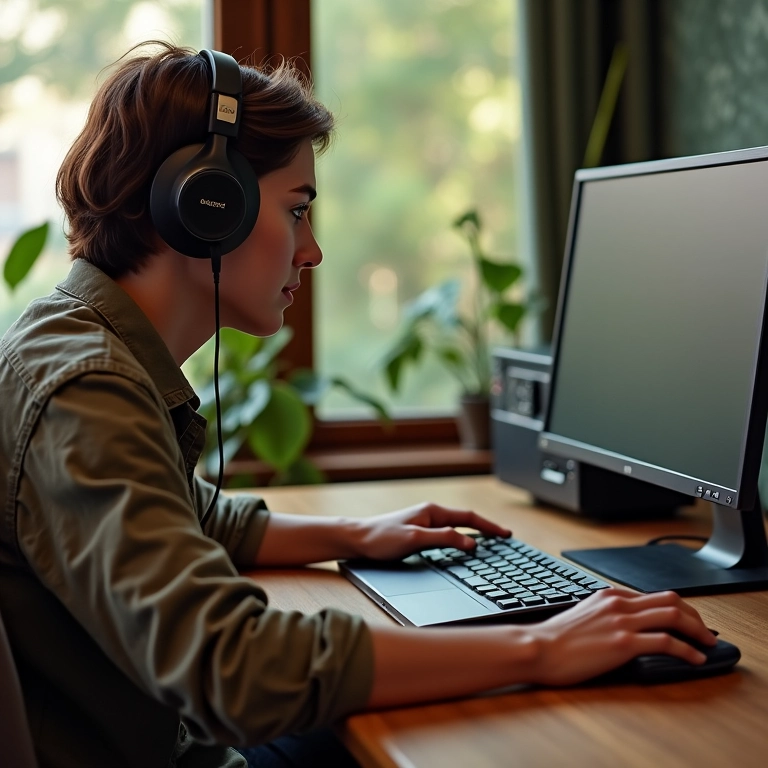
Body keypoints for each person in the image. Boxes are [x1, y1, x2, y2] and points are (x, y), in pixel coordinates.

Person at [0, 41, 716, 768]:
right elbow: (233, 667)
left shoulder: (75, 341)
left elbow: (192, 513)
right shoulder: (86, 388)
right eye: (298, 211)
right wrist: (543, 645)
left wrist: (361, 534)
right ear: (207, 207)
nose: (311, 252)